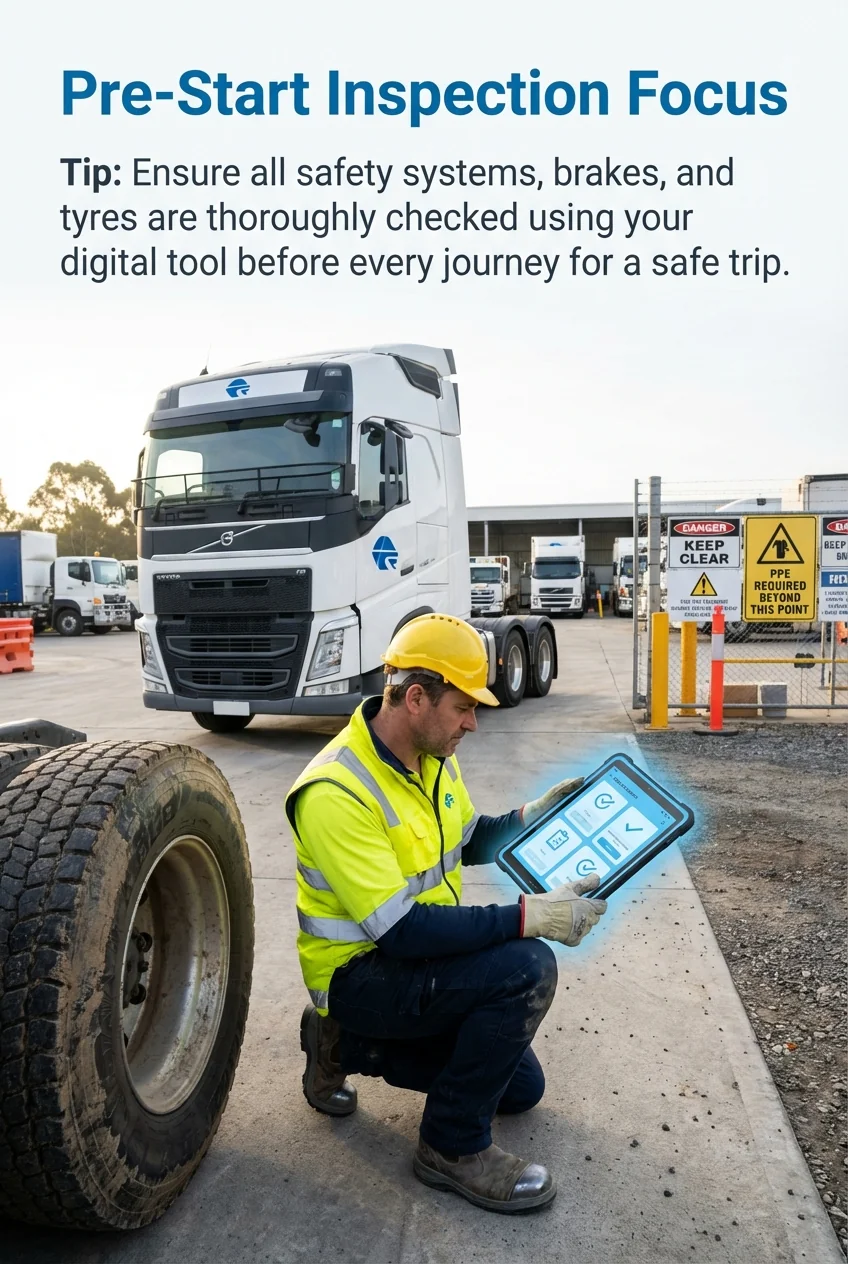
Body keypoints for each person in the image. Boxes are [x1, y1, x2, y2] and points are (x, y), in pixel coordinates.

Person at [286, 613, 607, 1214]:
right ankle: (450, 1148)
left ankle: (344, 1046)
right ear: (415, 698)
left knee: (521, 1089)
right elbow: (401, 931)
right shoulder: (335, 792)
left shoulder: (431, 757)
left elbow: (467, 839)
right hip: (363, 972)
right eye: (464, 706)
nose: (473, 723)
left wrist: (527, 819)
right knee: (527, 967)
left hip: (421, 961)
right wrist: (528, 917)